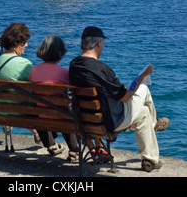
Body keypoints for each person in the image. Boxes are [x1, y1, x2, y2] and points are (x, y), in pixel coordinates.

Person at [69, 26, 170, 172]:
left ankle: (150, 159)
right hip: (110, 121)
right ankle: (154, 124)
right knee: (143, 89)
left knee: (143, 113)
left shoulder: (74, 65)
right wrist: (142, 76)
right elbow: (125, 97)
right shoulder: (102, 68)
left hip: (87, 121)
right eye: (103, 43)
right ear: (98, 43)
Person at [0, 22, 40, 144]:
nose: (26, 45)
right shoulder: (24, 64)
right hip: (20, 113)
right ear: (16, 45)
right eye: (24, 42)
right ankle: (50, 141)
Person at [29, 34, 79, 161]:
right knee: (67, 111)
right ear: (60, 53)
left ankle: (51, 145)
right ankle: (74, 150)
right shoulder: (64, 73)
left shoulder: (34, 70)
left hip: (41, 116)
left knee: (44, 108)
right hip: (61, 117)